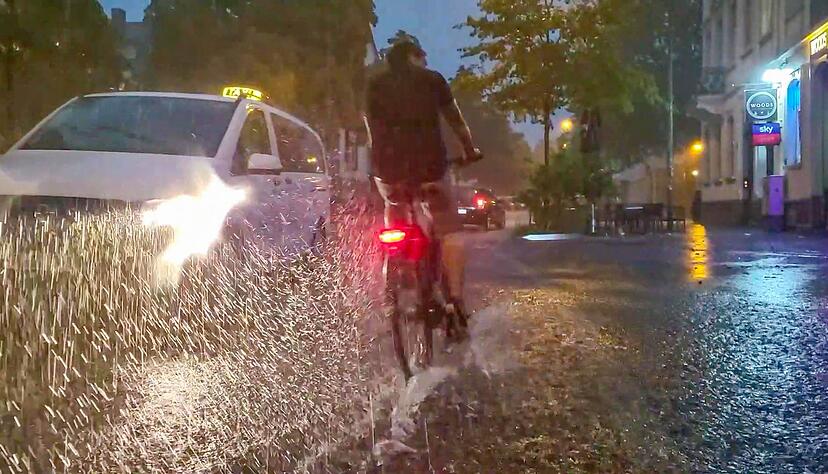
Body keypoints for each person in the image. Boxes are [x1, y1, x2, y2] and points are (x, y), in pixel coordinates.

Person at [366, 34, 481, 322]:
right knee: (449, 229)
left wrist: (381, 163)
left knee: (394, 207)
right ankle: (455, 302)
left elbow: (372, 130)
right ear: (414, 57)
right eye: (423, 58)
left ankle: (398, 271)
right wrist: (469, 149)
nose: (426, 63)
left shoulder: (375, 86)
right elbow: (455, 120)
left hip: (387, 170)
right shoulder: (433, 80)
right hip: (430, 167)